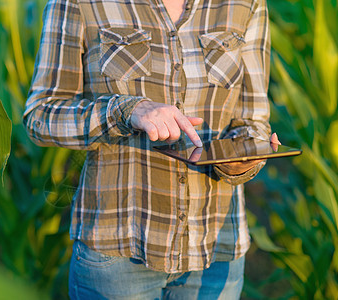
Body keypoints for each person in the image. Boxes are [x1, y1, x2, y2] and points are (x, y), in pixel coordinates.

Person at [24, 0, 279, 298]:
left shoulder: (246, 5)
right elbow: (41, 115)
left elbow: (252, 121)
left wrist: (245, 156)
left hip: (216, 250)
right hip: (118, 253)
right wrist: (127, 111)